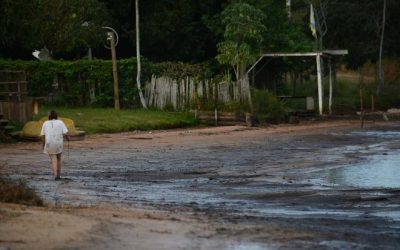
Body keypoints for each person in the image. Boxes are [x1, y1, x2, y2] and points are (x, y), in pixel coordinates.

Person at [40, 110, 69, 180]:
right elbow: (66, 133)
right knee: (59, 158)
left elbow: (43, 136)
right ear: (56, 116)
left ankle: (56, 176)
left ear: (49, 116)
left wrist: (43, 145)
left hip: (49, 142)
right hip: (58, 142)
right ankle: (58, 175)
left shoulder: (45, 123)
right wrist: (68, 139)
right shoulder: (60, 122)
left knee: (53, 159)